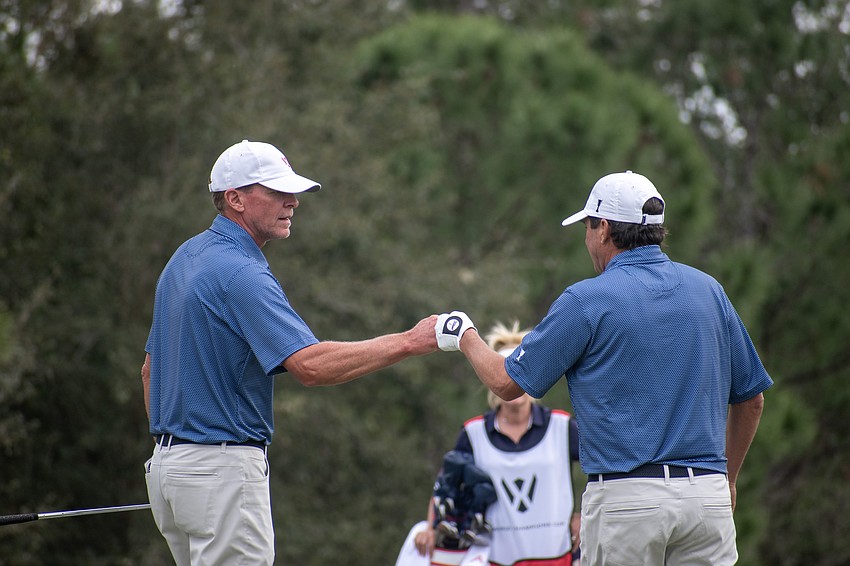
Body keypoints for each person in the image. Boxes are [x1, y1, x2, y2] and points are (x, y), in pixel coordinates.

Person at [434, 171, 773, 566]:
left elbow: (507, 383)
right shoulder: (709, 290)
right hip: (707, 501)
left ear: (604, 229)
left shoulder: (585, 299)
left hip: (628, 502)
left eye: (588, 226)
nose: (586, 239)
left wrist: (464, 335)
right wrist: (728, 480)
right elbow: (752, 401)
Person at [140, 139, 438, 566]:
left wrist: (179, 457)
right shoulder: (241, 272)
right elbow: (310, 366)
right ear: (235, 199)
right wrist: (411, 340)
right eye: (277, 192)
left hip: (170, 470)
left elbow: (151, 371)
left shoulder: (185, 257)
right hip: (221, 471)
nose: (293, 202)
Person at [413, 322, 583, 566]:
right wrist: (431, 527)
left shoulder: (561, 426)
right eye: (508, 375)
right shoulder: (474, 432)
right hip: (497, 558)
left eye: (522, 374)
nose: (516, 384)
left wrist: (586, 515)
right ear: (493, 381)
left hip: (557, 557)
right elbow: (446, 483)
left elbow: (603, 464)